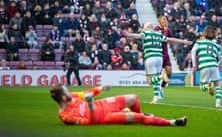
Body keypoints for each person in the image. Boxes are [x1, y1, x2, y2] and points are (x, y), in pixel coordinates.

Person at [50, 84, 187, 126]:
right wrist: (91, 105)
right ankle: (172, 122)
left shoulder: (71, 96)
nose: (69, 91)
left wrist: (100, 88)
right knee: (138, 118)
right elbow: (91, 122)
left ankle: (139, 113)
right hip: (104, 117)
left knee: (133, 98)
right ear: (63, 97)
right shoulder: (66, 116)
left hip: (102, 103)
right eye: (66, 90)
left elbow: (86, 93)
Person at [124, 22, 192, 104]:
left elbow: (137, 36)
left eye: (144, 27)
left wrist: (128, 34)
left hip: (150, 57)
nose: (143, 28)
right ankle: (156, 98)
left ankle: (161, 76)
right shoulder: (158, 34)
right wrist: (183, 41)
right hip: (159, 58)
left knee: (150, 81)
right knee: (156, 81)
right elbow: (170, 39)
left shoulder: (146, 33)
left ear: (148, 27)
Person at [191, 26, 222, 108]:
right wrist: (218, 64)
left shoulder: (199, 42)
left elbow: (193, 51)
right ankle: (218, 103)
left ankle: (208, 86)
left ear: (204, 34)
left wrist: (194, 64)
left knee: (202, 87)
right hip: (214, 65)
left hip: (204, 65)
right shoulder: (216, 45)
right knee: (218, 85)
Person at [154, 16, 174, 99]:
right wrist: (166, 31)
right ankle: (156, 92)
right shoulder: (156, 28)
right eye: (163, 19)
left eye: (166, 19)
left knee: (169, 73)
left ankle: (162, 87)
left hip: (165, 53)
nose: (165, 21)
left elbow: (171, 40)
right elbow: (163, 39)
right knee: (158, 74)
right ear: (159, 21)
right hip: (158, 53)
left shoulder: (167, 29)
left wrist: (167, 31)